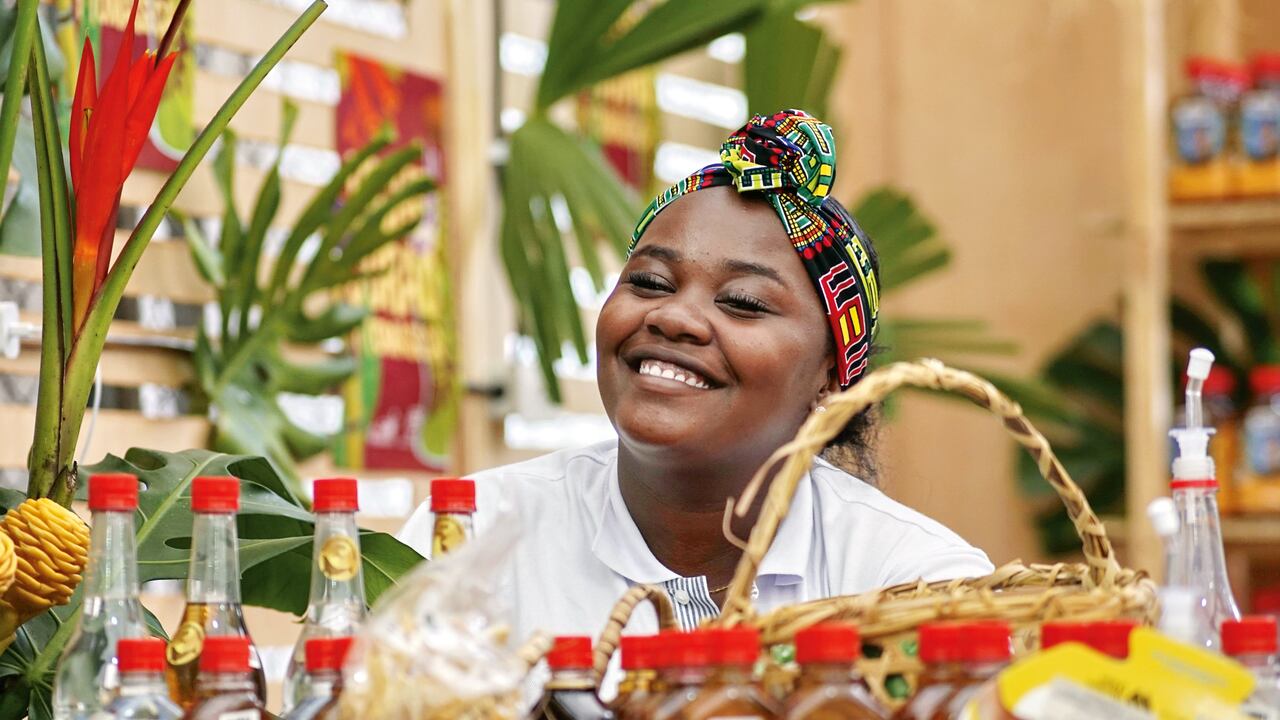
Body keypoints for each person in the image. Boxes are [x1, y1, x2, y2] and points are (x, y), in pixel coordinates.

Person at [399, 109, 992, 648]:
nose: (674, 316)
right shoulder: (468, 536)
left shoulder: (918, 587)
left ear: (832, 377)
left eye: (743, 302)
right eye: (651, 282)